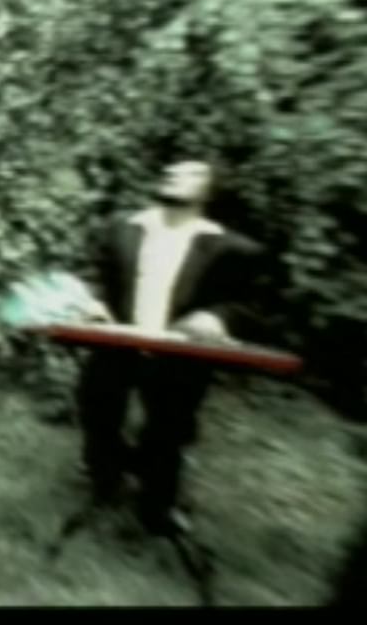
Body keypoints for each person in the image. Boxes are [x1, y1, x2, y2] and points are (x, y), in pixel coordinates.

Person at [74, 160, 266, 536]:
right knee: (96, 406)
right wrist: (92, 301)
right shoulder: (122, 229)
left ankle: (157, 506)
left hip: (180, 353)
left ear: (209, 191)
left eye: (192, 173)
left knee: (168, 428)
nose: (174, 174)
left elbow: (251, 304)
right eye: (171, 171)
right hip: (117, 342)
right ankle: (107, 478)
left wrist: (217, 318)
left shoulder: (230, 247)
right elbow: (94, 275)